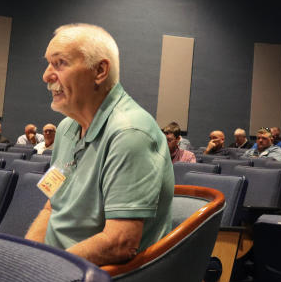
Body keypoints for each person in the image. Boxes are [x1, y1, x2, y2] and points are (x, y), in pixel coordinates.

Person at [25, 23, 173, 266]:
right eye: (48, 63)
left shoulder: (130, 133)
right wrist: (27, 258)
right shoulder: (66, 129)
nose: (46, 75)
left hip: (95, 281)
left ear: (100, 71)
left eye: (60, 63)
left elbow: (120, 242)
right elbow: (51, 208)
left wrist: (44, 271)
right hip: (55, 269)